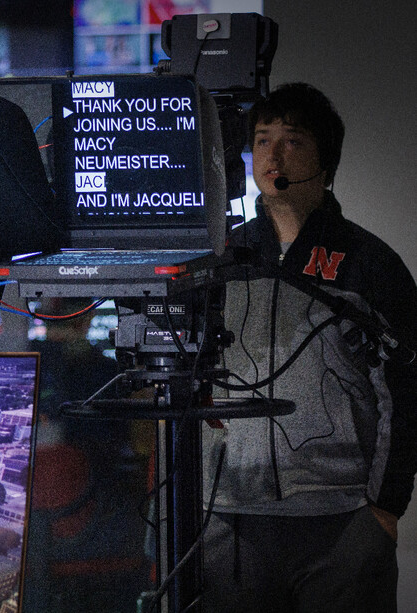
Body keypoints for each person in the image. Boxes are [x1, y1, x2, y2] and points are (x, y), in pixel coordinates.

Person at [200, 82, 417, 612]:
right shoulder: (219, 258)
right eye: (262, 139)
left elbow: (408, 387)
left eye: (292, 140)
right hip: (230, 519)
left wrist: (385, 508)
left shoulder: (369, 263)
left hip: (342, 522)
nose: (272, 155)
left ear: (326, 158)